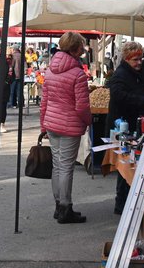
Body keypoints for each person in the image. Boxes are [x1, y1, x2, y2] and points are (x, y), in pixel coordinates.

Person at [40, 31, 91, 224]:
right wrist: (88, 121)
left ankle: (58, 205)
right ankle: (65, 208)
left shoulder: (50, 70)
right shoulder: (78, 74)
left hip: (52, 123)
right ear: (76, 49)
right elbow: (82, 106)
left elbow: (44, 100)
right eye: (82, 47)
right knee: (66, 167)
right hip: (70, 125)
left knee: (57, 165)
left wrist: (43, 124)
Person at [108, 41, 144, 214]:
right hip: (124, 125)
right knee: (126, 166)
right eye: (135, 59)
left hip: (132, 123)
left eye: (140, 59)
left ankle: (125, 202)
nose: (139, 62)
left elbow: (139, 91)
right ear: (127, 59)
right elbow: (119, 96)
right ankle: (121, 203)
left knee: (129, 165)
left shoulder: (133, 73)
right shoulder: (121, 75)